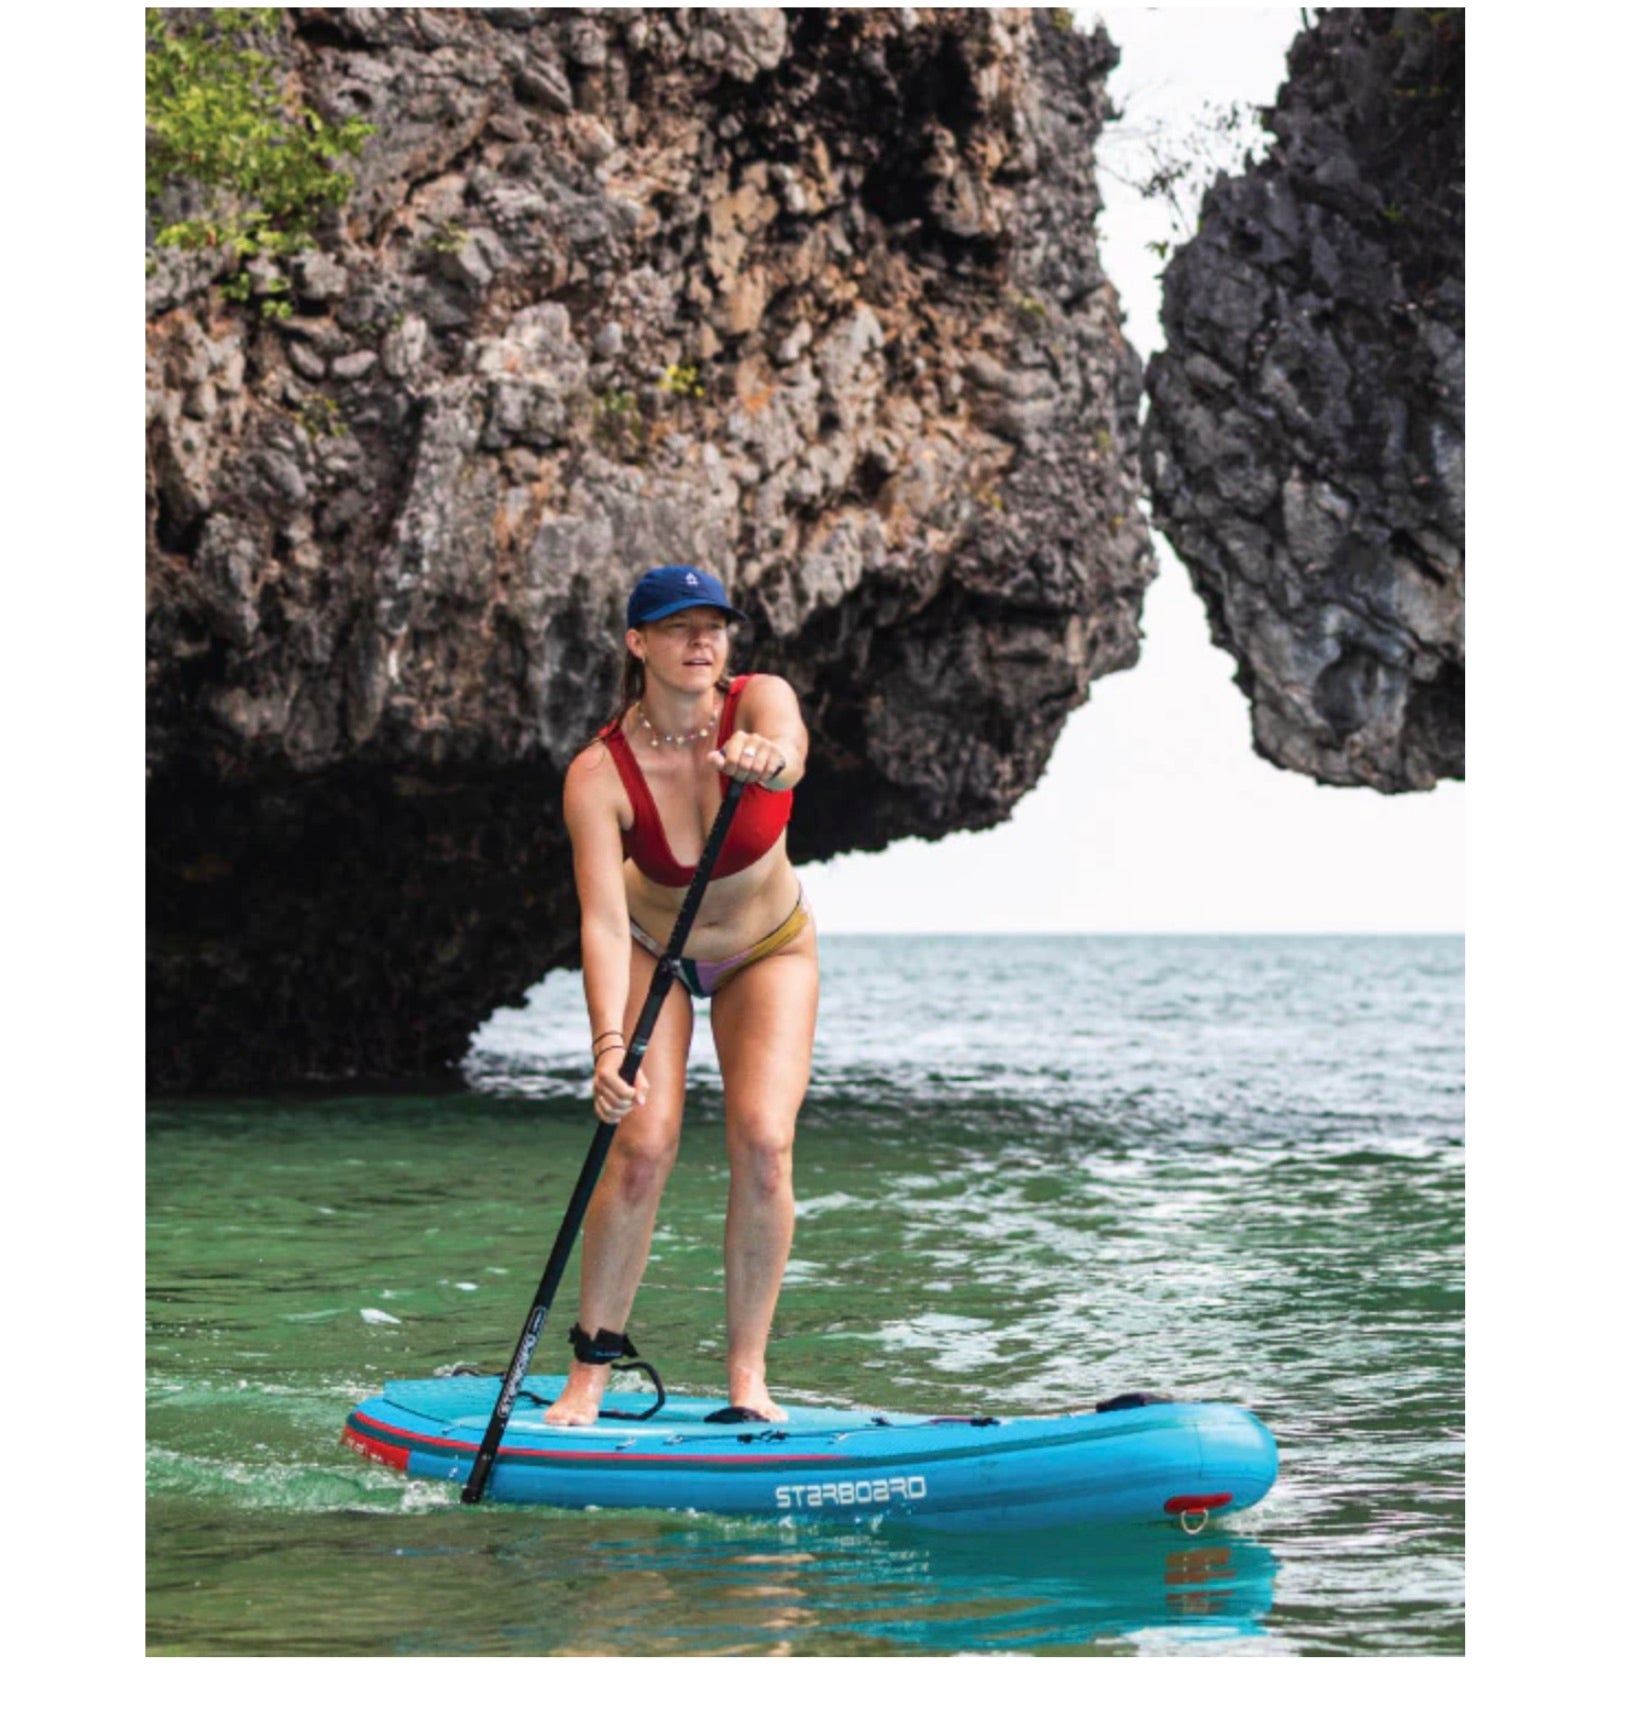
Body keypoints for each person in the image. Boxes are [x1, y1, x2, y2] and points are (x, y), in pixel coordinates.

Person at [547, 564, 818, 1426]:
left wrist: (770, 760)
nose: (703, 641)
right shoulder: (599, 772)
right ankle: (590, 1373)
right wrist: (604, 1047)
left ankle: (747, 1378)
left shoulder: (760, 702)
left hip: (768, 951)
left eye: (715, 626)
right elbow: (600, 920)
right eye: (677, 627)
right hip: (650, 951)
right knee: (642, 1146)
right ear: (638, 643)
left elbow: (791, 754)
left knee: (765, 1142)